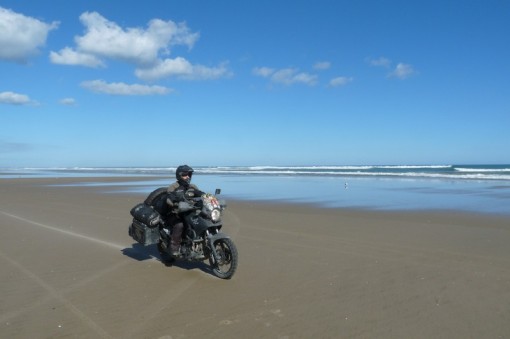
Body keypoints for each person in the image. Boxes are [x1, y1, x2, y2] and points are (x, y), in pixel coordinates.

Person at [165, 165, 204, 257]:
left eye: (189, 175)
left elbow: (200, 194)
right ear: (179, 175)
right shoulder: (174, 186)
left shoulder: (192, 186)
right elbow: (168, 199)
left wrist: (208, 197)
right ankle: (174, 248)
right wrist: (175, 204)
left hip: (190, 212)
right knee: (180, 225)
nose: (188, 177)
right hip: (176, 213)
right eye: (185, 175)